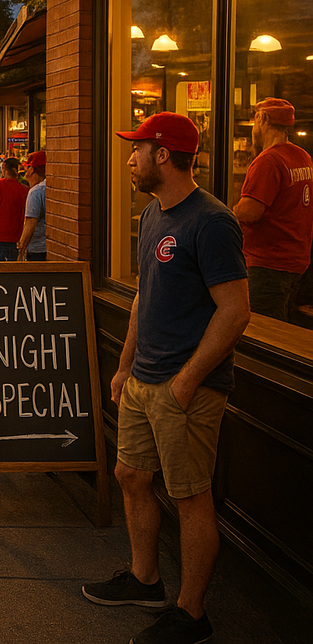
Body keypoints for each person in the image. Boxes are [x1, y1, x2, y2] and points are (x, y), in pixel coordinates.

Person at [82, 112, 250, 644]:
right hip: (143, 378)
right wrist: (126, 364)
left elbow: (235, 310)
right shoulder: (154, 214)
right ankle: (144, 579)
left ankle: (192, 614)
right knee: (131, 475)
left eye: (137, 149)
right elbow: (143, 299)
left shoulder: (212, 221)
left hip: (188, 389)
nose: (129, 159)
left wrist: (187, 380)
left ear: (163, 154)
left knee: (190, 497)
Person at [233, 98, 313, 322]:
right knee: (282, 329)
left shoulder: (268, 160)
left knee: (261, 331)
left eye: (255, 120)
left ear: (263, 119)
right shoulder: (302, 156)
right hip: (296, 261)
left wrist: (228, 212)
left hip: (267, 263)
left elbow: (251, 211)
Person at [18, 151, 48, 261]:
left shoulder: (36, 192)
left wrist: (22, 247)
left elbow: (31, 222)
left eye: (28, 167)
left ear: (32, 170)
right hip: (47, 247)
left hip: (37, 249)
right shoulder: (49, 188)